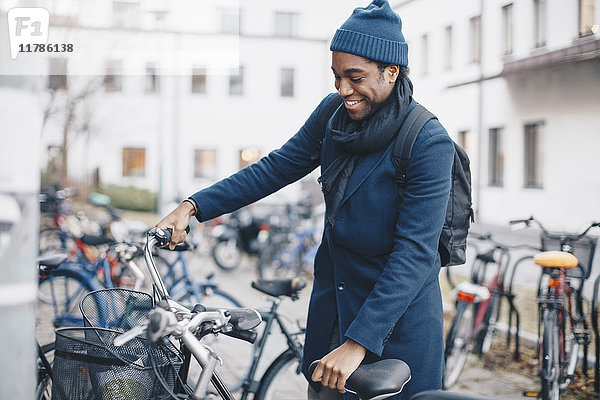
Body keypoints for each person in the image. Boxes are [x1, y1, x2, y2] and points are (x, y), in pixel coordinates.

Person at [156, 0, 454, 398]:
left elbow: (415, 253)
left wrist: (359, 343)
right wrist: (193, 206)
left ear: (391, 71)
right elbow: (275, 168)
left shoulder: (427, 141)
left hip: (395, 328)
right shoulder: (333, 116)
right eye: (336, 76)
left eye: (355, 76)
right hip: (334, 313)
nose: (343, 89)